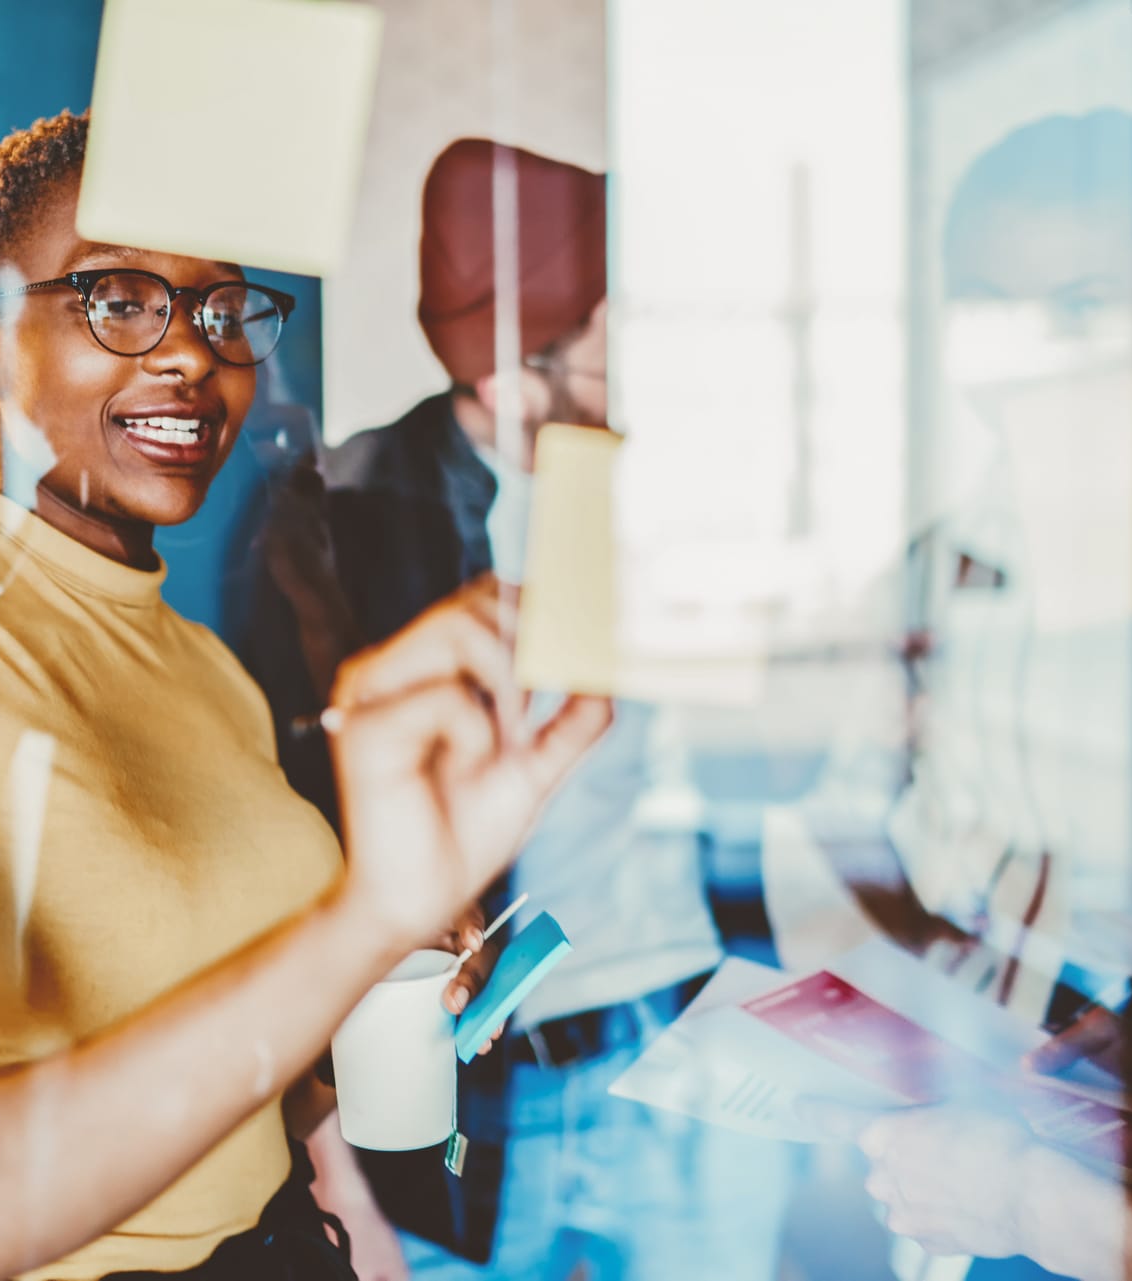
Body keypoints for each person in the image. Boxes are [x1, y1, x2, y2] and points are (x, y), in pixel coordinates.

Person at [0, 110, 612, 1281]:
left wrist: (387, 974)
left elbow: (247, 1101)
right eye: (117, 301)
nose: (192, 354)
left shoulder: (206, 668)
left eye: (221, 312)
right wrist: (358, 920)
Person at [243, 138, 790, 1280]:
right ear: (507, 370)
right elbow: (306, 855)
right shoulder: (351, 517)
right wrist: (340, 1176)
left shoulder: (685, 490)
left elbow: (766, 767)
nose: (643, 372)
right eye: (611, 344)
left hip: (683, 1036)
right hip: (487, 1087)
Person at [849, 6, 1132, 1276]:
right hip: (1041, 1147)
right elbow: (909, 877)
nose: (1037, 351)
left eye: (1083, 300)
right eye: (995, 305)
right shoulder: (936, 581)